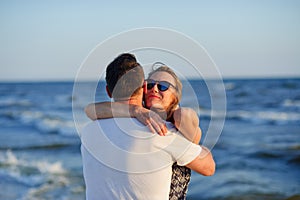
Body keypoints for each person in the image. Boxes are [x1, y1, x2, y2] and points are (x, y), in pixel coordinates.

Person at [81, 53, 215, 200]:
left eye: (163, 86)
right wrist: (135, 110)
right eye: (151, 84)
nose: (155, 89)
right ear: (144, 87)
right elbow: (209, 167)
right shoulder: (160, 132)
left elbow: (90, 110)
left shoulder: (88, 131)